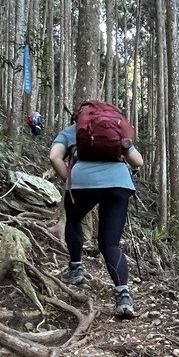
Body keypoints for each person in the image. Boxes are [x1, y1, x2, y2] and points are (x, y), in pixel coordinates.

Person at [49, 114, 143, 319]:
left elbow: (54, 157)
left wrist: (69, 177)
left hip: (82, 182)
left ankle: (75, 269)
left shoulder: (71, 131)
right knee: (110, 244)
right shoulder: (115, 131)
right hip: (119, 183)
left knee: (73, 220)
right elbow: (138, 161)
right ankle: (123, 295)